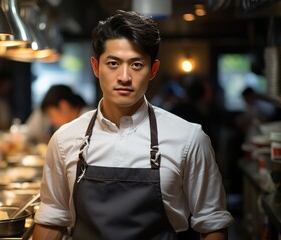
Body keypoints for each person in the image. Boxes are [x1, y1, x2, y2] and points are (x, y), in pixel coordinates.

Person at [33, 10, 233, 240]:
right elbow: (52, 219)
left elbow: (212, 224)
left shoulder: (189, 139)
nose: (124, 76)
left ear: (153, 70)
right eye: (113, 63)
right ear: (96, 67)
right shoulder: (64, 139)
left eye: (137, 64)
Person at [25, 84, 91, 143]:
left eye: (51, 115)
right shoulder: (70, 124)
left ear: (64, 106)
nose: (51, 121)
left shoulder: (88, 120)